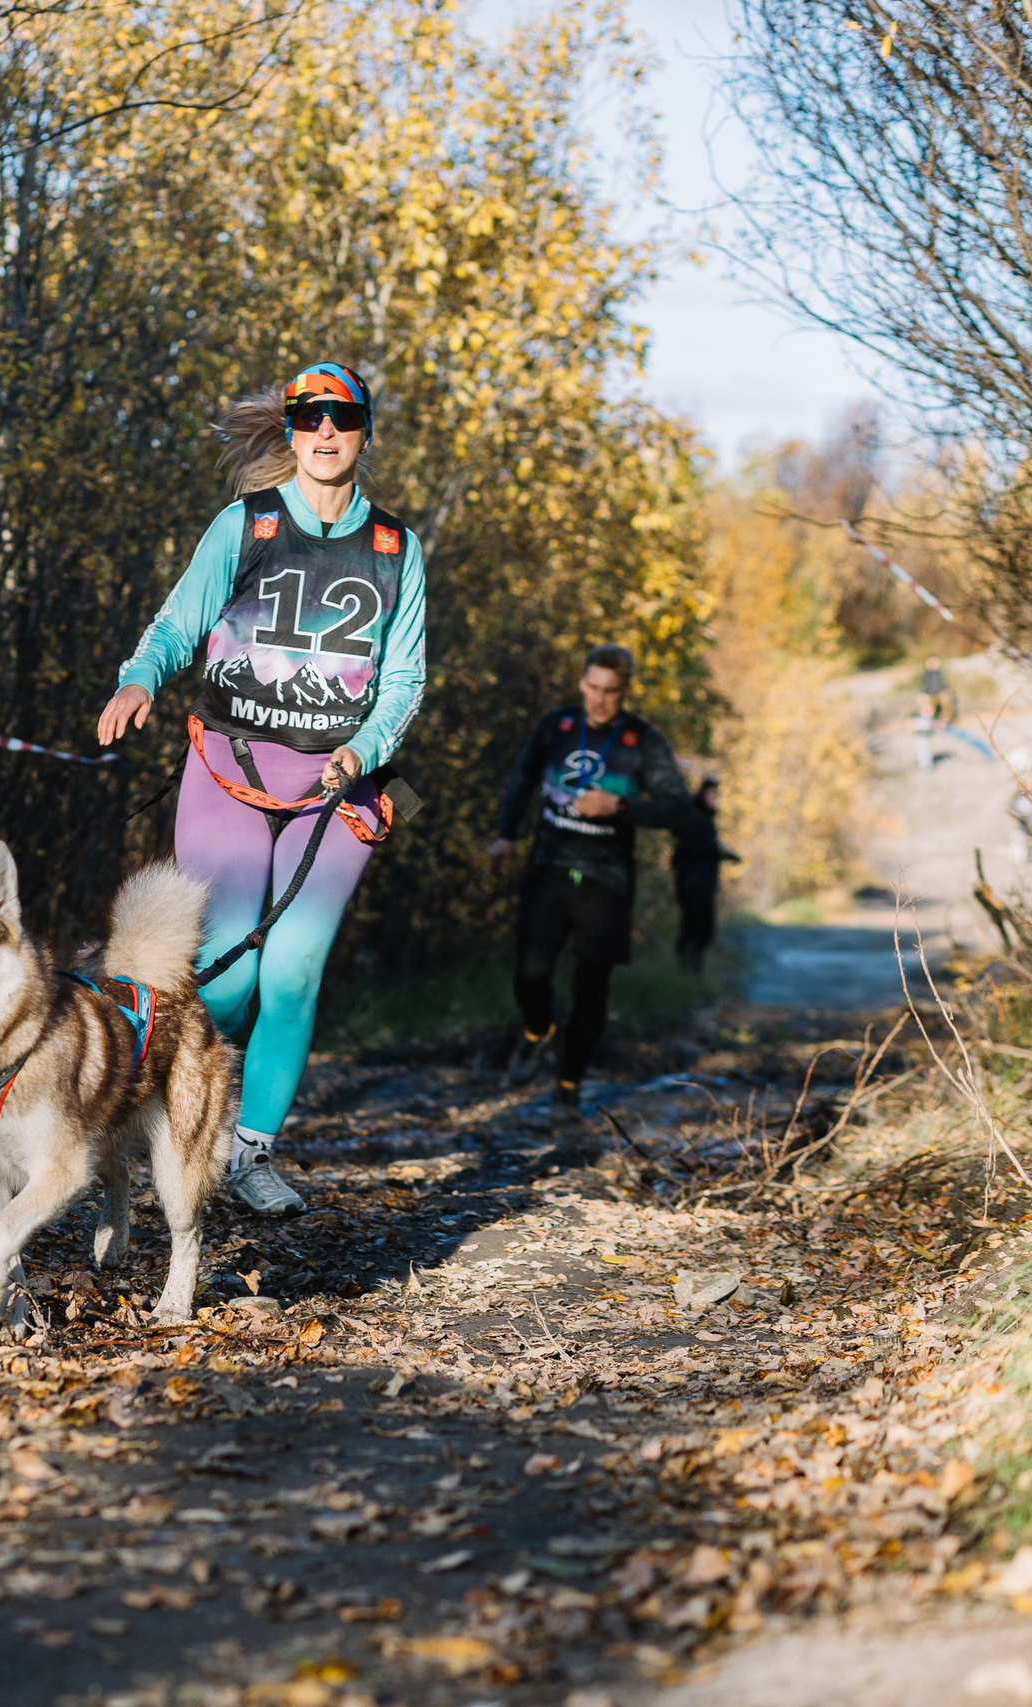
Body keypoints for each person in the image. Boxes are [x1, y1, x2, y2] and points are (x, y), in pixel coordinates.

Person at [97, 362, 425, 1216]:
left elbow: (405, 679)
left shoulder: (396, 548)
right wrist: (140, 680)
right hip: (230, 772)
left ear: (363, 431)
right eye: (308, 418)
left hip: (337, 783)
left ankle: (249, 1154)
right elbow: (179, 623)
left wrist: (367, 746)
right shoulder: (245, 525)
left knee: (296, 972)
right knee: (230, 975)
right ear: (289, 432)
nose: (325, 432)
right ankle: (151, 1104)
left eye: (341, 418)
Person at [487, 644, 692, 1119]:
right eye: (593, 688)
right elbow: (521, 779)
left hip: (606, 879)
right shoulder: (556, 726)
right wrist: (505, 836)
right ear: (582, 683)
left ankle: (567, 1088)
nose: (599, 700)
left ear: (625, 692)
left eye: (610, 692)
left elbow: (677, 807)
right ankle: (538, 1033)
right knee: (530, 973)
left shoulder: (642, 740)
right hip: (549, 866)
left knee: (591, 988)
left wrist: (619, 806)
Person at [671, 776, 739, 974]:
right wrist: (717, 851)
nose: (714, 799)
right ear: (703, 793)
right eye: (712, 794)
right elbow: (692, 846)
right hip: (693, 882)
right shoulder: (694, 815)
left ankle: (692, 973)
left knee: (703, 930)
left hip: (702, 882)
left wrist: (723, 853)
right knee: (694, 929)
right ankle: (686, 973)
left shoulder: (705, 817)